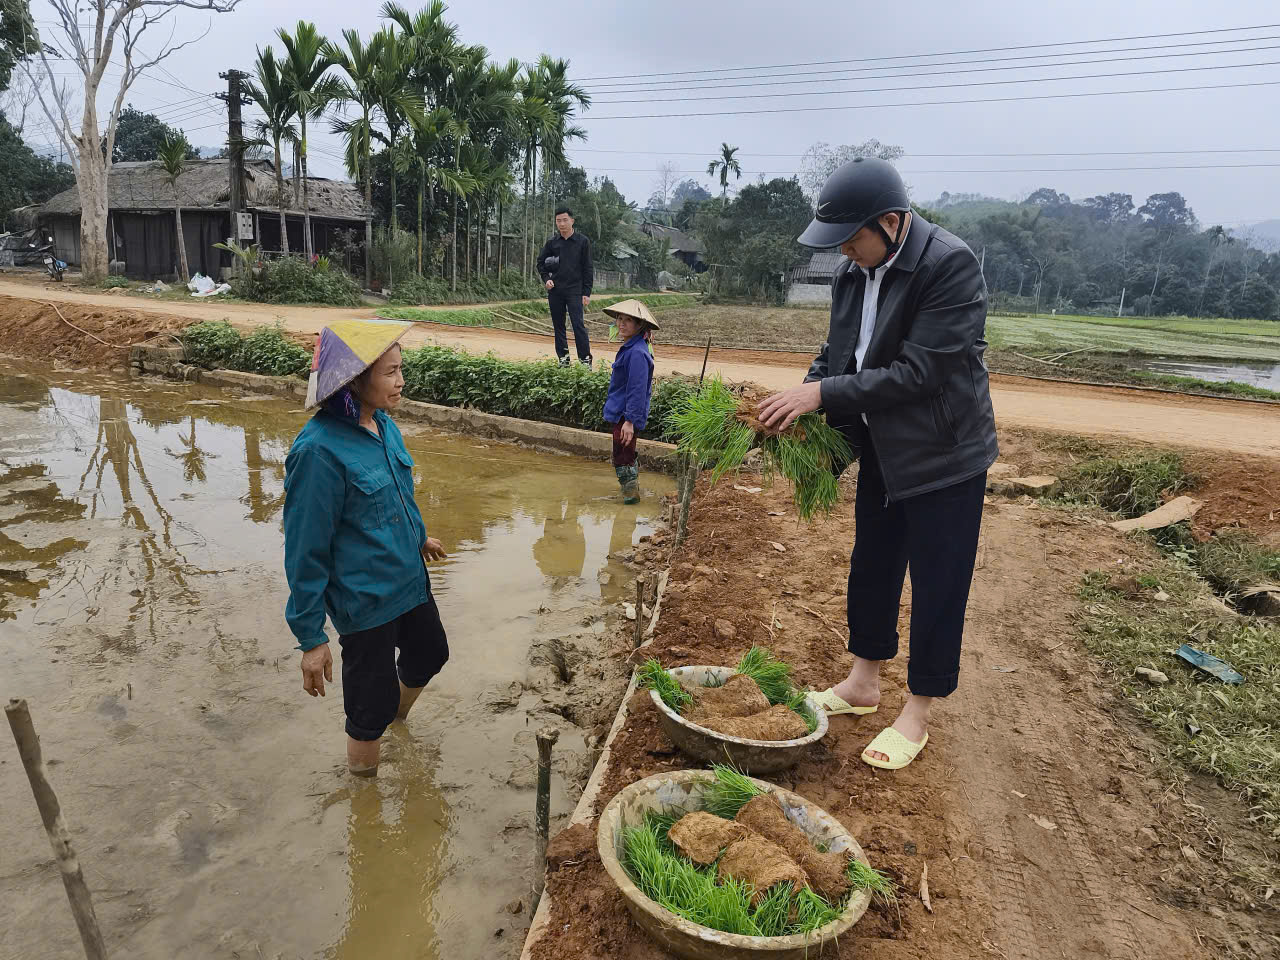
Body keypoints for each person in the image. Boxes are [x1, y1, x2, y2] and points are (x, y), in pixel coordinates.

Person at [757, 157, 997, 772]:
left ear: (891, 223)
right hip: (883, 447)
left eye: (851, 237)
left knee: (939, 582)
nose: (843, 250)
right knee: (873, 564)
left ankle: (917, 710)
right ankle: (863, 681)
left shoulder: (948, 265)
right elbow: (838, 352)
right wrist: (805, 396)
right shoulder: (852, 270)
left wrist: (824, 394)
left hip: (944, 455)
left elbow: (920, 374)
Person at [283, 320, 450, 777]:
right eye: (390, 373)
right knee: (365, 708)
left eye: (401, 369)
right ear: (354, 381)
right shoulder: (317, 452)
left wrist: (420, 539)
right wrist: (312, 639)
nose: (401, 381)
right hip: (366, 602)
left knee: (431, 653)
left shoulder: (384, 426)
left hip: (409, 582)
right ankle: (364, 800)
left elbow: (397, 496)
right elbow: (304, 549)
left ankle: (395, 722)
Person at [601, 299, 659, 504]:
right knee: (624, 454)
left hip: (626, 417)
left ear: (639, 325)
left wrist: (630, 421)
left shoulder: (637, 353)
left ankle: (631, 499)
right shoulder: (632, 347)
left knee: (623, 456)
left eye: (628, 320)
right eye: (619, 318)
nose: (621, 324)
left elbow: (637, 390)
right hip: (622, 413)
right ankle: (630, 493)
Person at [537, 206, 594, 367]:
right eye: (558, 221)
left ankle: (585, 362)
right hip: (556, 291)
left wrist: (586, 292)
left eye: (564, 220)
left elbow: (588, 268)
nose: (561, 224)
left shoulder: (583, 242)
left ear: (572, 221)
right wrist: (546, 279)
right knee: (559, 327)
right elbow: (540, 263)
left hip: (575, 291)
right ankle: (564, 361)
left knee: (578, 325)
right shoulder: (552, 243)